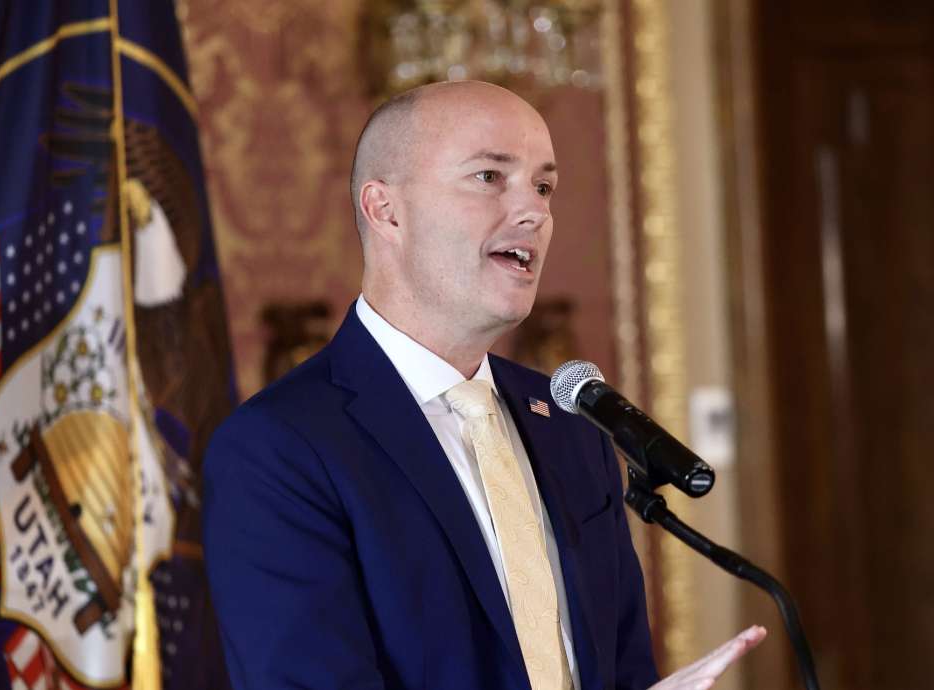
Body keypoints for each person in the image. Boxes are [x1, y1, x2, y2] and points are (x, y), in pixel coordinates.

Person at [203, 80, 765, 690]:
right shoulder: (278, 448)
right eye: (490, 177)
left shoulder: (572, 426)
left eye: (543, 187)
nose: (535, 213)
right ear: (385, 210)